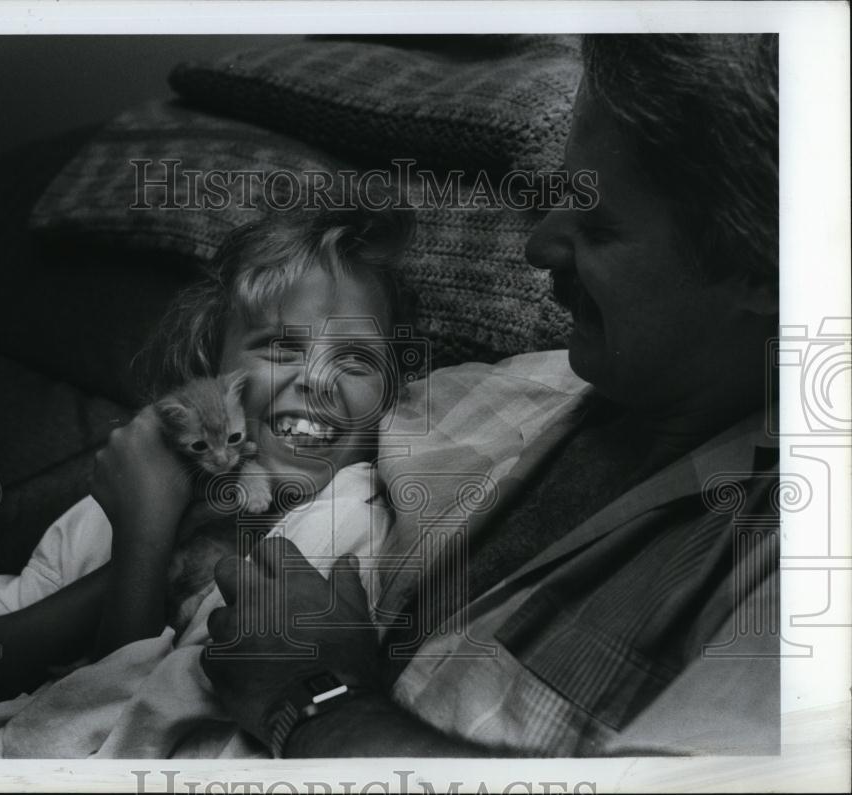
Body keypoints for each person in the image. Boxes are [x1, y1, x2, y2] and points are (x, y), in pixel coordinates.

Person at [200, 33, 781, 757]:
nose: (537, 246)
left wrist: (312, 694)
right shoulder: (490, 392)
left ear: (764, 268)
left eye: (598, 227)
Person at [0, 206, 418, 757]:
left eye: (355, 360)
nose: (316, 380)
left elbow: (110, 741)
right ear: (213, 369)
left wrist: (147, 537)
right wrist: (153, 525)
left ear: (391, 399)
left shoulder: (352, 534)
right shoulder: (123, 497)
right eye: (282, 348)